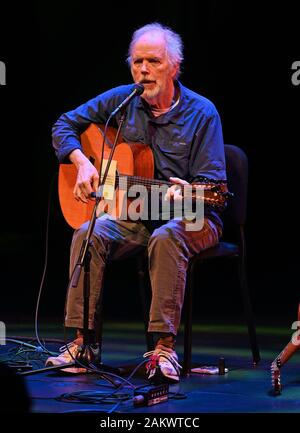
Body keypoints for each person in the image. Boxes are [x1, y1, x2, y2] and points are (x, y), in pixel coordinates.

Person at [45, 22, 227, 384]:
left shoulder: (202, 113)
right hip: (135, 216)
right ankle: (82, 344)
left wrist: (190, 190)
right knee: (87, 231)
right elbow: (63, 124)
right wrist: (81, 162)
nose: (144, 70)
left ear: (174, 66)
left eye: (154, 62)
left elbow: (215, 189)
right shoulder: (121, 101)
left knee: (169, 235)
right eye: (137, 61)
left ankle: (163, 350)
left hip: (193, 216)